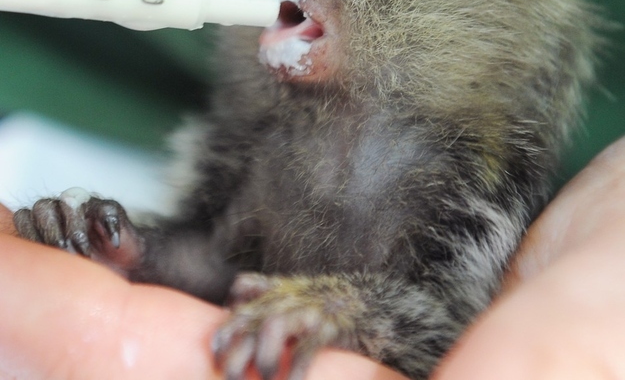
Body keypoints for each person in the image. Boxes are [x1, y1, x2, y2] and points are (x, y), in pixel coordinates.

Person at [1, 136, 624, 380]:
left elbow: (440, 324)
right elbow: (212, 254)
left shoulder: (482, 166)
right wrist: (111, 245)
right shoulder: (265, 143)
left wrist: (340, 309)